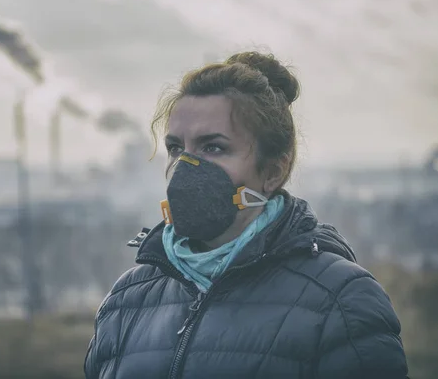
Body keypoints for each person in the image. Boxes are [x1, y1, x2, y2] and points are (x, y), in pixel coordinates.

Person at [84, 51, 408, 378]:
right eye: (176, 148)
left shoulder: (340, 301)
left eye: (213, 147)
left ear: (272, 171)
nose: (185, 167)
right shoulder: (126, 301)